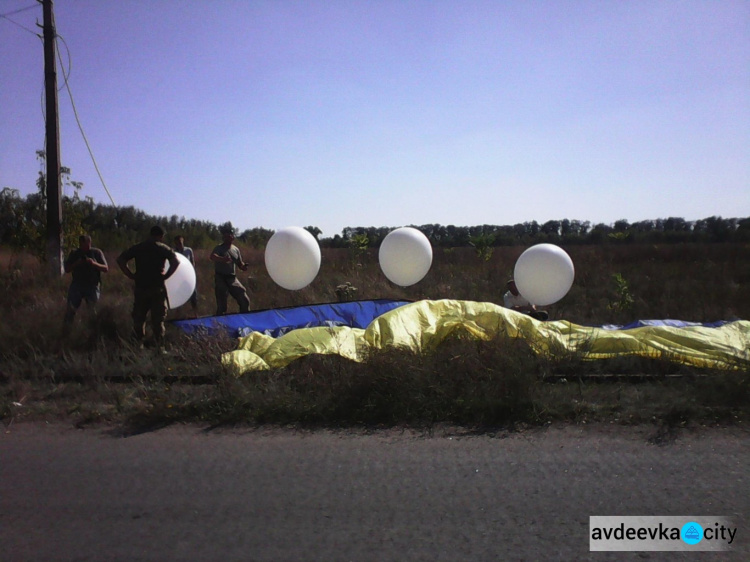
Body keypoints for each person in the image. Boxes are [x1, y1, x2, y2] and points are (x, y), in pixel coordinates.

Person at [117, 225, 180, 348]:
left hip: (141, 287)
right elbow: (176, 262)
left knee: (139, 319)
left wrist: (130, 274)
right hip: (157, 288)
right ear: (161, 236)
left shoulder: (139, 247)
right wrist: (166, 275)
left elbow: (120, 260)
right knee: (158, 320)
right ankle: (159, 348)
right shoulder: (163, 248)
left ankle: (137, 346)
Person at [63, 234, 109, 323]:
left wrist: (93, 263)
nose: (84, 247)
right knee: (70, 310)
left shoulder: (96, 253)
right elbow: (67, 269)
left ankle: (93, 331)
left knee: (92, 311)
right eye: (81, 244)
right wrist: (77, 263)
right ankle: (66, 331)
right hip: (77, 285)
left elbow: (106, 268)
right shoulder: (75, 253)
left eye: (86, 244)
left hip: (92, 285)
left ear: (89, 243)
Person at [210, 227, 250, 315]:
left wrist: (243, 267)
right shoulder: (219, 248)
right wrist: (222, 259)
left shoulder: (235, 249)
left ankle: (245, 318)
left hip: (232, 278)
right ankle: (220, 323)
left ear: (233, 237)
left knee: (244, 299)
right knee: (222, 305)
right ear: (224, 237)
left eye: (230, 235)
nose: (228, 237)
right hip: (221, 278)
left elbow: (239, 263)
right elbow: (213, 256)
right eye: (226, 236)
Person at [173, 235, 198, 314]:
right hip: (178, 277)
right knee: (178, 295)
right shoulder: (173, 252)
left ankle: (195, 313)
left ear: (183, 241)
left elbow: (192, 262)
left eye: (180, 242)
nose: (179, 244)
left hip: (188, 277)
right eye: (177, 243)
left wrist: (191, 273)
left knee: (193, 294)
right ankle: (178, 314)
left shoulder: (188, 250)